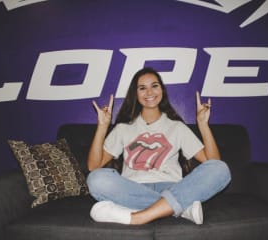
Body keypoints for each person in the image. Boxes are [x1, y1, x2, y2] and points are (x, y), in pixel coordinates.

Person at [86, 67, 231, 225]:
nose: (149, 92)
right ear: (136, 94)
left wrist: (203, 125)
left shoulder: (177, 127)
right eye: (142, 88)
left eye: (154, 86)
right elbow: (94, 166)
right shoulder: (123, 129)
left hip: (172, 187)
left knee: (221, 169)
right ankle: (179, 209)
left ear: (162, 89)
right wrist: (102, 125)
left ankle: (139, 216)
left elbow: (213, 162)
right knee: (95, 179)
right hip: (132, 189)